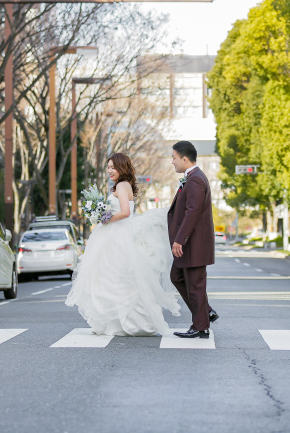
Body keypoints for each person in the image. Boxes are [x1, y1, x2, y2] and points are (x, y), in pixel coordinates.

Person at [65, 153, 180, 336]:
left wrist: (105, 218)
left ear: (122, 167)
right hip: (114, 234)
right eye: (108, 167)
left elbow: (125, 212)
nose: (110, 170)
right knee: (113, 277)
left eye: (113, 167)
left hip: (118, 234)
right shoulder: (122, 185)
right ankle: (115, 323)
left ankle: (127, 323)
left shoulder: (122, 185)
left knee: (117, 277)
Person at [167, 141, 217, 338]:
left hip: (193, 244)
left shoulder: (195, 179)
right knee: (176, 277)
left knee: (195, 285)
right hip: (189, 245)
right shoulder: (192, 177)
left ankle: (200, 326)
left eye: (174, 158)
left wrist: (180, 239)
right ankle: (205, 313)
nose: (172, 162)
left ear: (185, 159)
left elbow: (192, 212)